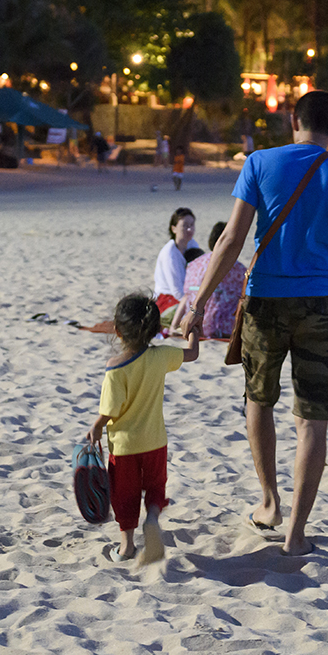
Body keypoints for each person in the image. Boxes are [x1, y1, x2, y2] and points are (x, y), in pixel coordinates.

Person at [179, 91, 328, 557]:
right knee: (313, 420)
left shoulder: (259, 163)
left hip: (265, 299)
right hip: (321, 305)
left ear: (293, 120)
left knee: (258, 400)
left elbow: (230, 240)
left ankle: (269, 502)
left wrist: (197, 303)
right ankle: (296, 533)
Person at [85, 292, 200, 564]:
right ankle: (151, 517)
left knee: (124, 494)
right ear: (153, 330)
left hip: (124, 446)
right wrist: (193, 330)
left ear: (117, 331)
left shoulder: (116, 368)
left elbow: (110, 410)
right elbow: (193, 353)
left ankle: (126, 547)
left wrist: (96, 427)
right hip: (156, 441)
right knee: (154, 486)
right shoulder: (161, 357)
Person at [171, 222, 246, 339]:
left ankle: (175, 325)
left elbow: (186, 297)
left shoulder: (194, 264)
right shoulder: (238, 269)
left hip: (193, 325)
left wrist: (174, 326)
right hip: (223, 328)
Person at [152, 208, 197, 313]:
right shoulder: (170, 253)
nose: (189, 229)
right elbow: (176, 291)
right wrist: (193, 307)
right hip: (168, 297)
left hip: (188, 292)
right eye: (185, 226)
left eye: (192, 225)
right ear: (174, 229)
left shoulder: (192, 244)